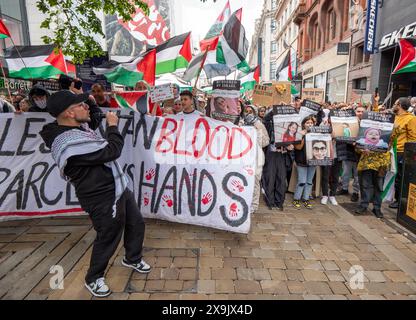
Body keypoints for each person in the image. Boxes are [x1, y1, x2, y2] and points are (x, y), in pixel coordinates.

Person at [39, 91, 151, 298]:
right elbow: (112, 151)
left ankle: (132, 258)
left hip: (118, 185)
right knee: (108, 235)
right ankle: (94, 278)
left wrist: (89, 99)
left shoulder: (79, 128)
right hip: (101, 196)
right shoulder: (68, 142)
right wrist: (112, 125)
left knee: (136, 222)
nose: (87, 107)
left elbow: (93, 114)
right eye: (81, 105)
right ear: (70, 113)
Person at [262, 109, 293, 210]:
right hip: (271, 154)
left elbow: (294, 139)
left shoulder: (289, 126)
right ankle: (270, 201)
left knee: (281, 178)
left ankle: (279, 202)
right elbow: (265, 119)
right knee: (270, 178)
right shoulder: (269, 124)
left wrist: (290, 147)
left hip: (282, 155)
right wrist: (274, 109)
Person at [389, 97, 416, 209]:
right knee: (393, 176)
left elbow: (413, 137)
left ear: (399, 105)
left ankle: (399, 200)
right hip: (392, 151)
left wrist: (408, 153)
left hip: (402, 152)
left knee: (400, 177)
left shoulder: (411, 119)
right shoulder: (396, 117)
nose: (393, 106)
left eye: (395, 104)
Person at [337, 105, 364, 202]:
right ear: (355, 112)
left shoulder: (366, 124)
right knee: (346, 172)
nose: (360, 113)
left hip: (360, 154)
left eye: (362, 111)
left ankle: (356, 192)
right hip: (348, 151)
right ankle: (344, 188)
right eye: (358, 111)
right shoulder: (349, 123)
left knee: (357, 175)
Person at [355, 146, 390, 218]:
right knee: (365, 186)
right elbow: (357, 147)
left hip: (381, 164)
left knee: (379, 187)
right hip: (367, 164)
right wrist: (362, 149)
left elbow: (391, 146)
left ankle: (377, 208)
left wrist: (386, 164)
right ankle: (363, 205)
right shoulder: (364, 135)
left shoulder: (388, 135)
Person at [293, 116, 317, 209]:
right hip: (301, 160)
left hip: (313, 161)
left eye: (311, 123)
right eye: (307, 123)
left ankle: (306, 199)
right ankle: (296, 198)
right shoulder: (299, 133)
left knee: (309, 182)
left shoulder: (316, 133)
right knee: (302, 181)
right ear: (303, 124)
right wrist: (304, 135)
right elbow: (298, 147)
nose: (309, 124)